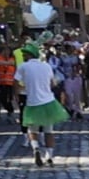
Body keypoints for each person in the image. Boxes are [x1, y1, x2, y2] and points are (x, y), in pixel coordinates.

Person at [22, 33, 69, 164]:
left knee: (32, 130)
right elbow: (53, 83)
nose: (23, 56)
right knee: (49, 131)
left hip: (32, 102)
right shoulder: (46, 66)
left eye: (25, 54)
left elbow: (17, 84)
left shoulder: (23, 67)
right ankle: (49, 156)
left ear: (28, 55)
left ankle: (36, 149)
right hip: (48, 102)